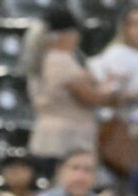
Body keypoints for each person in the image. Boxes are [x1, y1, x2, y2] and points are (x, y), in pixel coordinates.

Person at [23, 7, 122, 178]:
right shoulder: (62, 62)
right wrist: (111, 87)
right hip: (67, 140)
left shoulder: (41, 58)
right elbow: (91, 98)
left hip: (45, 135)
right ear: (66, 34)